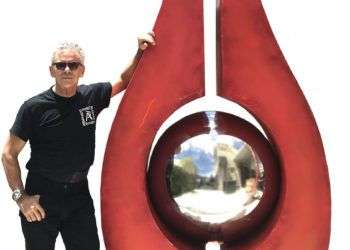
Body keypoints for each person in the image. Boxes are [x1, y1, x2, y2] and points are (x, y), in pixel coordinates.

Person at [1, 32, 155, 250]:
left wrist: (141, 51)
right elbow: (8, 153)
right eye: (60, 65)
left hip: (78, 196)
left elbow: (125, 80)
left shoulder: (91, 97)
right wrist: (21, 198)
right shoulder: (33, 108)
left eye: (73, 65)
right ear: (51, 70)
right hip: (41, 196)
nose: (67, 70)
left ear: (82, 70)